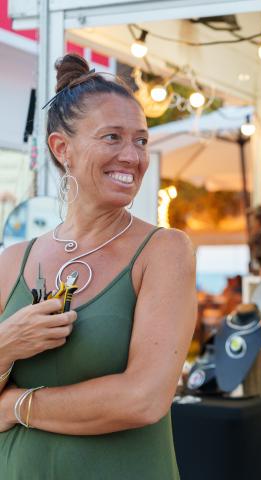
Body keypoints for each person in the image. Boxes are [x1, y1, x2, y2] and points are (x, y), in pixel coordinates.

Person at [0, 53, 196, 479]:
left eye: (141, 140)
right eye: (112, 137)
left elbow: (142, 398)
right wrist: (7, 343)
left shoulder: (164, 251)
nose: (133, 156)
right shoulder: (13, 261)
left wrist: (14, 404)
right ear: (61, 148)